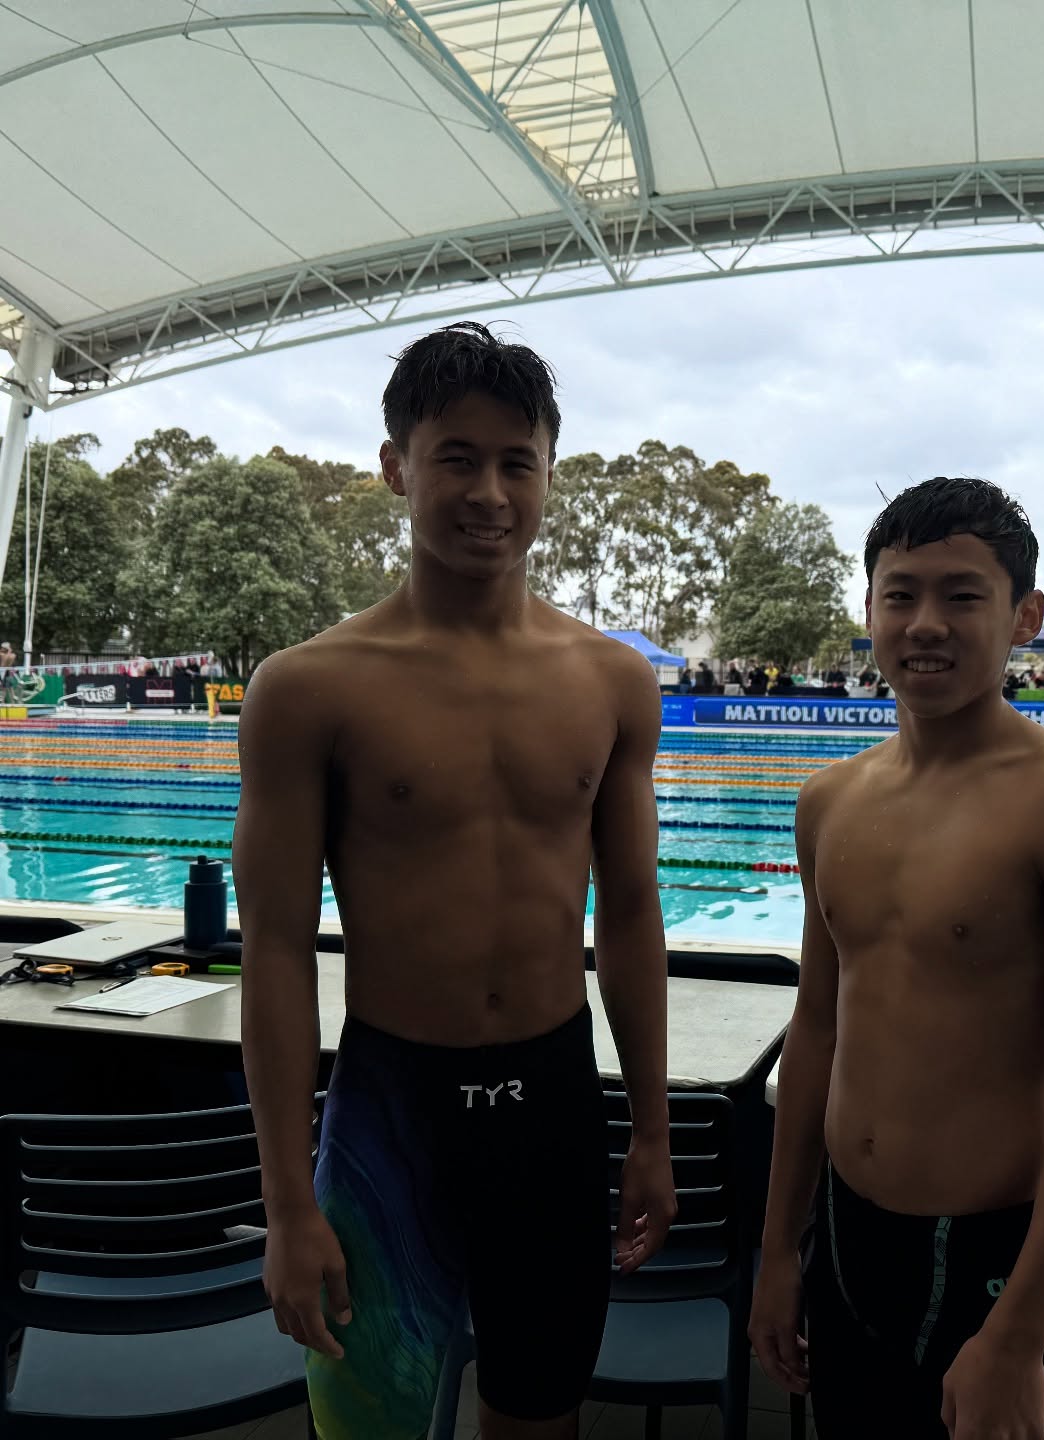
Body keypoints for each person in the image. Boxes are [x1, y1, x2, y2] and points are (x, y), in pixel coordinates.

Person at [235, 322, 676, 1440]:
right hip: (393, 1108)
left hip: (556, 1099)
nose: (489, 492)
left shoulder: (612, 682)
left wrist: (655, 1129)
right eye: (456, 458)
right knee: (369, 1421)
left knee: (539, 1415)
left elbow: (629, 914)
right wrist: (288, 1202)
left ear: (546, 478)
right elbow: (277, 949)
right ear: (397, 468)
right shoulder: (309, 689)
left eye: (515, 462)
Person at [751, 476, 1044, 1440]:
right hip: (847, 1251)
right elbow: (817, 1029)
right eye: (900, 595)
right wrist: (780, 1247)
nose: (924, 623)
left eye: (961, 596)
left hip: (994, 1265)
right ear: (867, 611)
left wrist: (1019, 1336)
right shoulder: (829, 802)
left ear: (1025, 618)